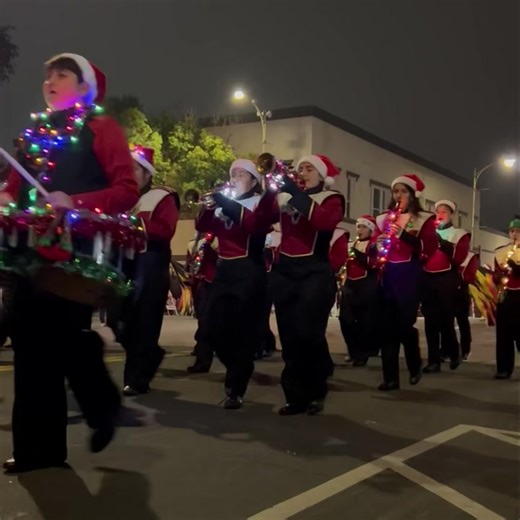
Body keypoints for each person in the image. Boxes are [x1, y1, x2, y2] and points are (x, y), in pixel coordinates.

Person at [0, 53, 140, 473]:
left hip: (75, 257)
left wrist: (73, 202)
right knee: (28, 349)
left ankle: (102, 405)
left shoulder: (102, 128)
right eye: (47, 75)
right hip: (29, 254)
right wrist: (6, 198)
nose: (50, 81)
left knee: (60, 341)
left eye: (61, 74)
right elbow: (12, 188)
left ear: (84, 87)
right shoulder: (34, 133)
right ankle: (35, 453)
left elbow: (126, 188)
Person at [195, 159, 274, 409]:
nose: (235, 178)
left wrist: (225, 203)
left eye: (241, 174)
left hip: (249, 272)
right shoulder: (224, 204)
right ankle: (239, 368)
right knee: (210, 329)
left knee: (242, 333)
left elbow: (252, 226)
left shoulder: (260, 203)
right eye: (233, 174)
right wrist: (209, 206)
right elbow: (202, 226)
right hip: (224, 271)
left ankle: (236, 386)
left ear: (253, 179)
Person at [270, 154, 344, 415]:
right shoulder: (286, 197)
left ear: (322, 176)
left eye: (309, 168)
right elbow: (262, 219)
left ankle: (316, 389)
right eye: (300, 167)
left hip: (315, 272)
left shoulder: (332, 198)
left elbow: (323, 221)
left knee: (308, 334)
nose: (302, 172)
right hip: (286, 272)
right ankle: (294, 396)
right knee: (289, 337)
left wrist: (293, 192)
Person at [119, 146, 179, 396]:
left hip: (151, 264)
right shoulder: (121, 196)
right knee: (118, 319)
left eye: (134, 168)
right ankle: (149, 356)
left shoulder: (162, 196)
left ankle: (136, 379)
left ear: (146, 173)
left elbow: (166, 230)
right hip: (126, 264)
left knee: (144, 324)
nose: (129, 173)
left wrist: (134, 223)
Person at [375, 174, 437, 391]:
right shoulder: (383, 219)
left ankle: (414, 363)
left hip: (410, 275)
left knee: (403, 326)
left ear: (412, 195)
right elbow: (375, 246)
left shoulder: (423, 219)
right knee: (386, 329)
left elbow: (428, 248)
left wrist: (404, 235)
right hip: (388, 274)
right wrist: (378, 244)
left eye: (404, 191)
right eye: (396, 191)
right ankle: (390, 378)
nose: (399, 195)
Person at [422, 200, 470, 373]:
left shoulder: (459, 234)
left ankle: (454, 352)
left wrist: (441, 241)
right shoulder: (427, 233)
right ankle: (433, 361)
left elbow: (458, 257)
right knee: (430, 321)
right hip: (428, 277)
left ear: (451, 215)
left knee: (445, 320)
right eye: (438, 211)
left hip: (447, 278)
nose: (440, 214)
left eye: (445, 211)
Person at [339, 215, 380, 366]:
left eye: (364, 227)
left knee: (365, 321)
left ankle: (363, 353)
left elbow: (376, 263)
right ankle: (353, 349)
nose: (360, 230)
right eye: (358, 227)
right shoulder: (353, 243)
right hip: (350, 285)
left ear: (370, 230)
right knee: (345, 318)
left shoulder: (374, 245)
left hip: (367, 285)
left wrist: (359, 255)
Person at [186, 230, 218, 373]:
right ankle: (202, 357)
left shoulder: (215, 240)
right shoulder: (194, 243)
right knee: (202, 320)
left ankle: (203, 358)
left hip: (211, 282)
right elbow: (190, 262)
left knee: (206, 322)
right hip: (199, 283)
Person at [493, 216, 520, 379]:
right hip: (506, 294)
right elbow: (496, 272)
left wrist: (517, 268)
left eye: (518, 231)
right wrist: (497, 276)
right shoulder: (501, 251)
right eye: (512, 231)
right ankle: (503, 367)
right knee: (504, 333)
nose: (515, 234)